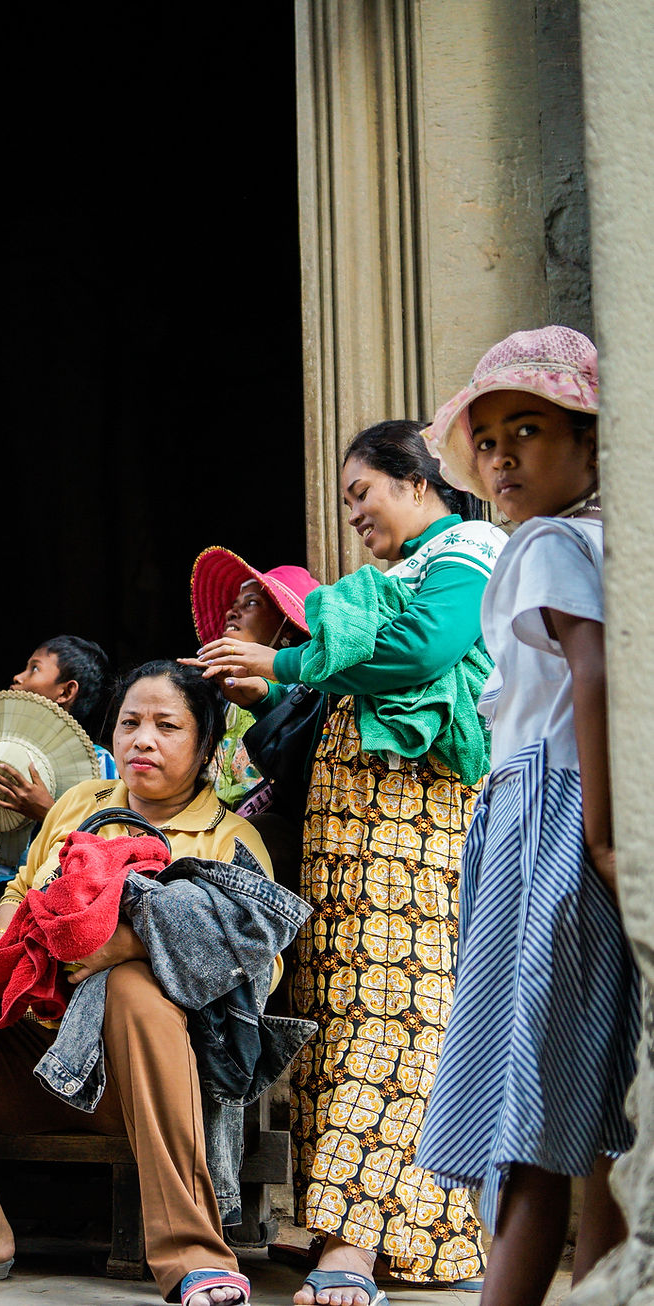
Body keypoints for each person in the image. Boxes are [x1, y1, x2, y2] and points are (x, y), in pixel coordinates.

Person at [0, 660, 308, 1306]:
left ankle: (194, 1253)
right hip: (33, 1058)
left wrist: (131, 943)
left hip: (141, 1090)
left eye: (166, 726)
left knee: (130, 984)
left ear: (207, 747)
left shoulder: (227, 840)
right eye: (129, 724)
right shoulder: (79, 807)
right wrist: (15, 952)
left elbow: (255, 971)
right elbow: (19, 894)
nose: (142, 740)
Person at [196, 420, 508, 1306]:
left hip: (410, 823)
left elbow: (423, 653)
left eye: (361, 492)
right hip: (350, 827)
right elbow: (353, 682)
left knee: (395, 1016)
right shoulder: (399, 572)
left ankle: (355, 1247)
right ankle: (400, 1234)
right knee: (338, 1013)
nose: (355, 514)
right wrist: (276, 686)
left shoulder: (469, 547)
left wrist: (284, 658)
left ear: (417, 480)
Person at [413, 327, 639, 1306]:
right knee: (593, 1106)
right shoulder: (600, 545)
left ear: (591, 446)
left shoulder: (549, 543)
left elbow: (588, 676)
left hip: (546, 820)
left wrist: (595, 830)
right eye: (490, 439)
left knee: (531, 1099)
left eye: (529, 430)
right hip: (549, 811)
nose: (502, 456)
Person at [0, 634, 117, 921]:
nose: (18, 676)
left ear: (66, 691)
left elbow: (108, 843)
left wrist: (48, 813)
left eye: (34, 669)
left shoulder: (99, 764)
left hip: (42, 896)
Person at [189, 550, 320, 811]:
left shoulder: (309, 693)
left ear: (288, 625)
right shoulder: (220, 694)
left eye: (250, 603)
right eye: (233, 605)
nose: (231, 613)